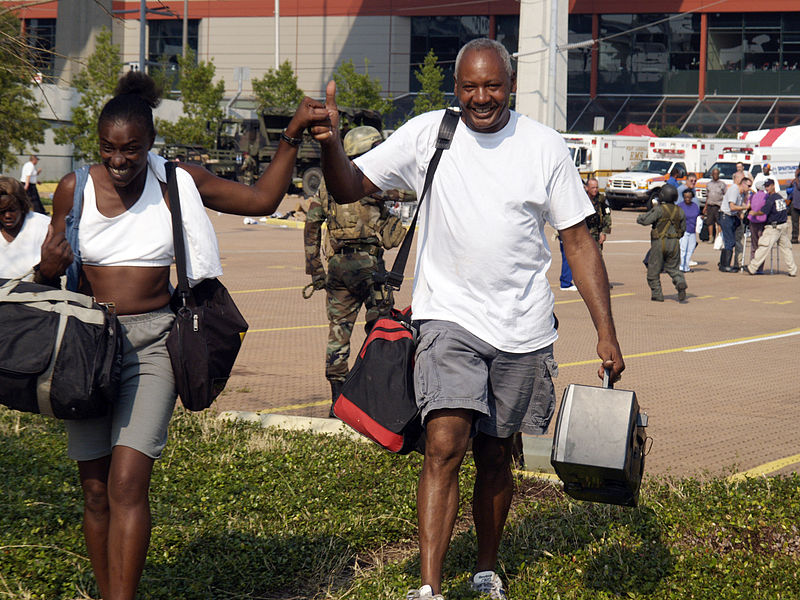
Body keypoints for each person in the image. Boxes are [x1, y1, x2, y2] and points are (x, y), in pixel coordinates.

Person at [310, 38, 625, 600]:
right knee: (444, 443)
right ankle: (428, 587)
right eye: (469, 86)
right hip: (448, 317)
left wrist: (606, 331)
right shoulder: (430, 131)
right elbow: (349, 185)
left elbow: (577, 240)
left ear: (509, 85)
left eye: (492, 86)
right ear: (456, 88)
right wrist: (332, 143)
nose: (481, 97)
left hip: (523, 326)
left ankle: (486, 568)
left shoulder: (543, 147)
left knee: (496, 453)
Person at [34, 71, 327, 600]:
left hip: (154, 343)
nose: (119, 161)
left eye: (132, 150)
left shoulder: (175, 181)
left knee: (127, 483)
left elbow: (262, 199)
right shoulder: (74, 190)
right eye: (108, 149)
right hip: (90, 347)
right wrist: (44, 267)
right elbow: (48, 278)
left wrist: (293, 133)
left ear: (150, 144)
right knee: (95, 490)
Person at [304, 125, 413, 416]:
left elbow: (312, 224)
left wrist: (315, 269)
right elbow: (411, 193)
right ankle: (374, 399)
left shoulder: (329, 183)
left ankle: (336, 401)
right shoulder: (371, 180)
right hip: (369, 266)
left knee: (338, 334)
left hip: (339, 267)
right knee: (381, 330)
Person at [637, 185, 687, 301]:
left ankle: (657, 294)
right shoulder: (680, 211)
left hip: (659, 242)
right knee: (674, 268)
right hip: (674, 243)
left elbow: (645, 220)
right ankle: (680, 282)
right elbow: (683, 228)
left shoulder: (659, 209)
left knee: (653, 270)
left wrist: (641, 216)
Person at [0, 176, 51, 280]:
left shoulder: (43, 226)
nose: (7, 216)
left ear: (22, 206)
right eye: (2, 211)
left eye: (12, 210)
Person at [745, 179, 797, 276]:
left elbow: (764, 211)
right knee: (786, 249)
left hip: (774, 227)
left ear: (773, 185)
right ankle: (792, 270)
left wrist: (754, 213)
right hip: (783, 226)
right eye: (766, 186)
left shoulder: (771, 198)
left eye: (768, 186)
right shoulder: (779, 197)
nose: (767, 188)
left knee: (763, 247)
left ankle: (752, 267)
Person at [718, 175, 751, 272]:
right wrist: (746, 207)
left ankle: (723, 263)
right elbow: (732, 207)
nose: (749, 188)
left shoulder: (741, 194)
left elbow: (738, 209)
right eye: (748, 186)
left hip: (733, 216)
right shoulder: (734, 190)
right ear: (743, 184)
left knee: (732, 240)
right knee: (730, 241)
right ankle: (725, 266)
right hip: (726, 215)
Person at [746, 180, 769, 272]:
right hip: (763, 222)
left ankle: (753, 265)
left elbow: (748, 206)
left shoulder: (752, 196)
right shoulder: (767, 196)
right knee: (762, 245)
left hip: (753, 221)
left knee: (754, 244)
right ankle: (759, 268)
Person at [677, 188, 700, 273]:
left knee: (690, 249)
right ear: (683, 197)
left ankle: (686, 266)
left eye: (689, 197)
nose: (687, 199)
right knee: (683, 249)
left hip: (692, 230)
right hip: (684, 230)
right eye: (686, 197)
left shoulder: (695, 206)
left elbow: (697, 216)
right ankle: (681, 266)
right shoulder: (680, 206)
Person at [703, 167, 726, 242]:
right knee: (710, 222)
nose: (715, 175)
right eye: (714, 174)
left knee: (719, 222)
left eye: (717, 174)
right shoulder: (709, 184)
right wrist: (705, 207)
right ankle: (711, 237)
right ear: (712, 174)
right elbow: (707, 196)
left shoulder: (722, 184)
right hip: (710, 205)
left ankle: (719, 238)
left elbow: (725, 195)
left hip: (719, 205)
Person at [789, 166, 800, 243]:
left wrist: (796, 177)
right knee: (794, 222)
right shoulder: (796, 179)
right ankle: (794, 238)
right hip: (795, 203)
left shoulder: (797, 178)